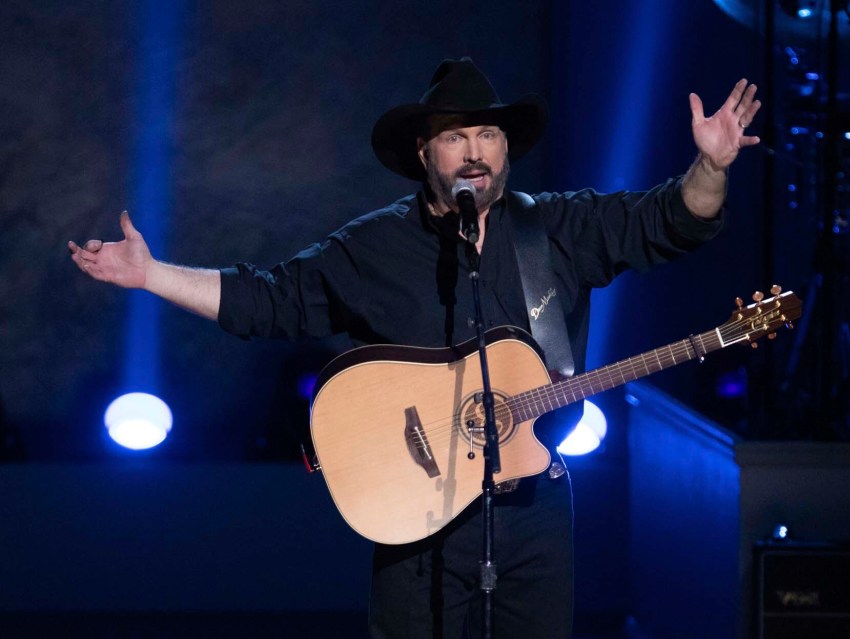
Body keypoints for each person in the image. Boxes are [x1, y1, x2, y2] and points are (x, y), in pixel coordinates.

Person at [68, 58, 760, 638]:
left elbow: (671, 220)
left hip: (534, 517)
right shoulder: (373, 246)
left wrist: (710, 164)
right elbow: (269, 299)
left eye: (488, 134)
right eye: (456, 137)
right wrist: (151, 274)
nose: (475, 152)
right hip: (417, 519)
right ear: (424, 154)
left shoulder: (555, 228)